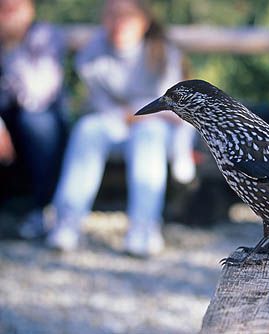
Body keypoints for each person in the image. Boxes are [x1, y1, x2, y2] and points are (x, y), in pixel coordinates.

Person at [46, 0, 195, 256]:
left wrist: (182, 153)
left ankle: (144, 227)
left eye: (126, 17)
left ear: (144, 21)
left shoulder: (163, 53)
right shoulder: (92, 52)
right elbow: (99, 105)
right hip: (114, 123)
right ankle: (67, 221)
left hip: (158, 130)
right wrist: (131, 114)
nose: (118, 24)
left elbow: (177, 110)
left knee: (148, 134)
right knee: (87, 128)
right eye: (112, 16)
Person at [0, 0, 66, 238]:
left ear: (30, 10)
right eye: (3, 8)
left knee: (36, 122)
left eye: (14, 8)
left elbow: (37, 95)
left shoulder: (46, 36)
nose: (8, 15)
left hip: (41, 121)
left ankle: (42, 208)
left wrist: (11, 47)